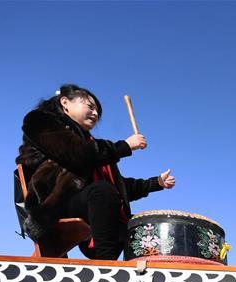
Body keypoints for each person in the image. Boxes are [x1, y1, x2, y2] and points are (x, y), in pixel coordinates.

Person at [16, 84, 175, 260]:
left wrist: (156, 182)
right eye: (90, 106)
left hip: (87, 202)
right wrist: (125, 146)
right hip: (53, 203)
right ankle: (106, 266)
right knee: (102, 191)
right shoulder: (39, 121)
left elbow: (119, 187)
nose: (95, 114)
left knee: (138, 223)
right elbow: (76, 153)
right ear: (65, 102)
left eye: (97, 112)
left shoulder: (93, 146)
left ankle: (138, 271)